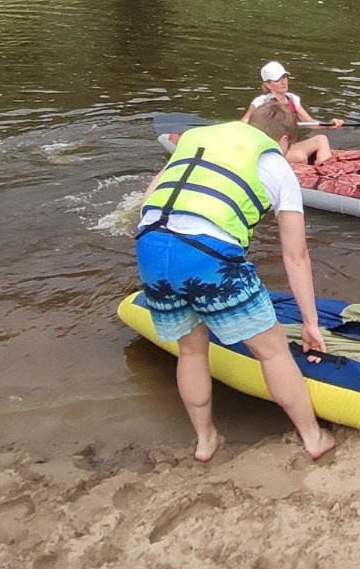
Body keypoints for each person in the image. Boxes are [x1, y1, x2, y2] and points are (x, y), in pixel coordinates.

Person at [136, 100, 335, 461]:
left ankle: (205, 440)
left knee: (191, 349)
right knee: (272, 349)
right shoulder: (276, 163)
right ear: (284, 141)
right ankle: (313, 437)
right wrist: (310, 322)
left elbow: (148, 200)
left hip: (150, 246)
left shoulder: (198, 139)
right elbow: (296, 255)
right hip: (205, 254)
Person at [241, 61, 342, 164]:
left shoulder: (292, 99)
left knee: (321, 139)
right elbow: (242, 123)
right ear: (268, 84)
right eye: (277, 80)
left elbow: (310, 122)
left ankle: (326, 170)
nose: (283, 82)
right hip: (270, 149)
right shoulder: (261, 102)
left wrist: (330, 125)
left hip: (288, 146)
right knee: (300, 156)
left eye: (284, 77)